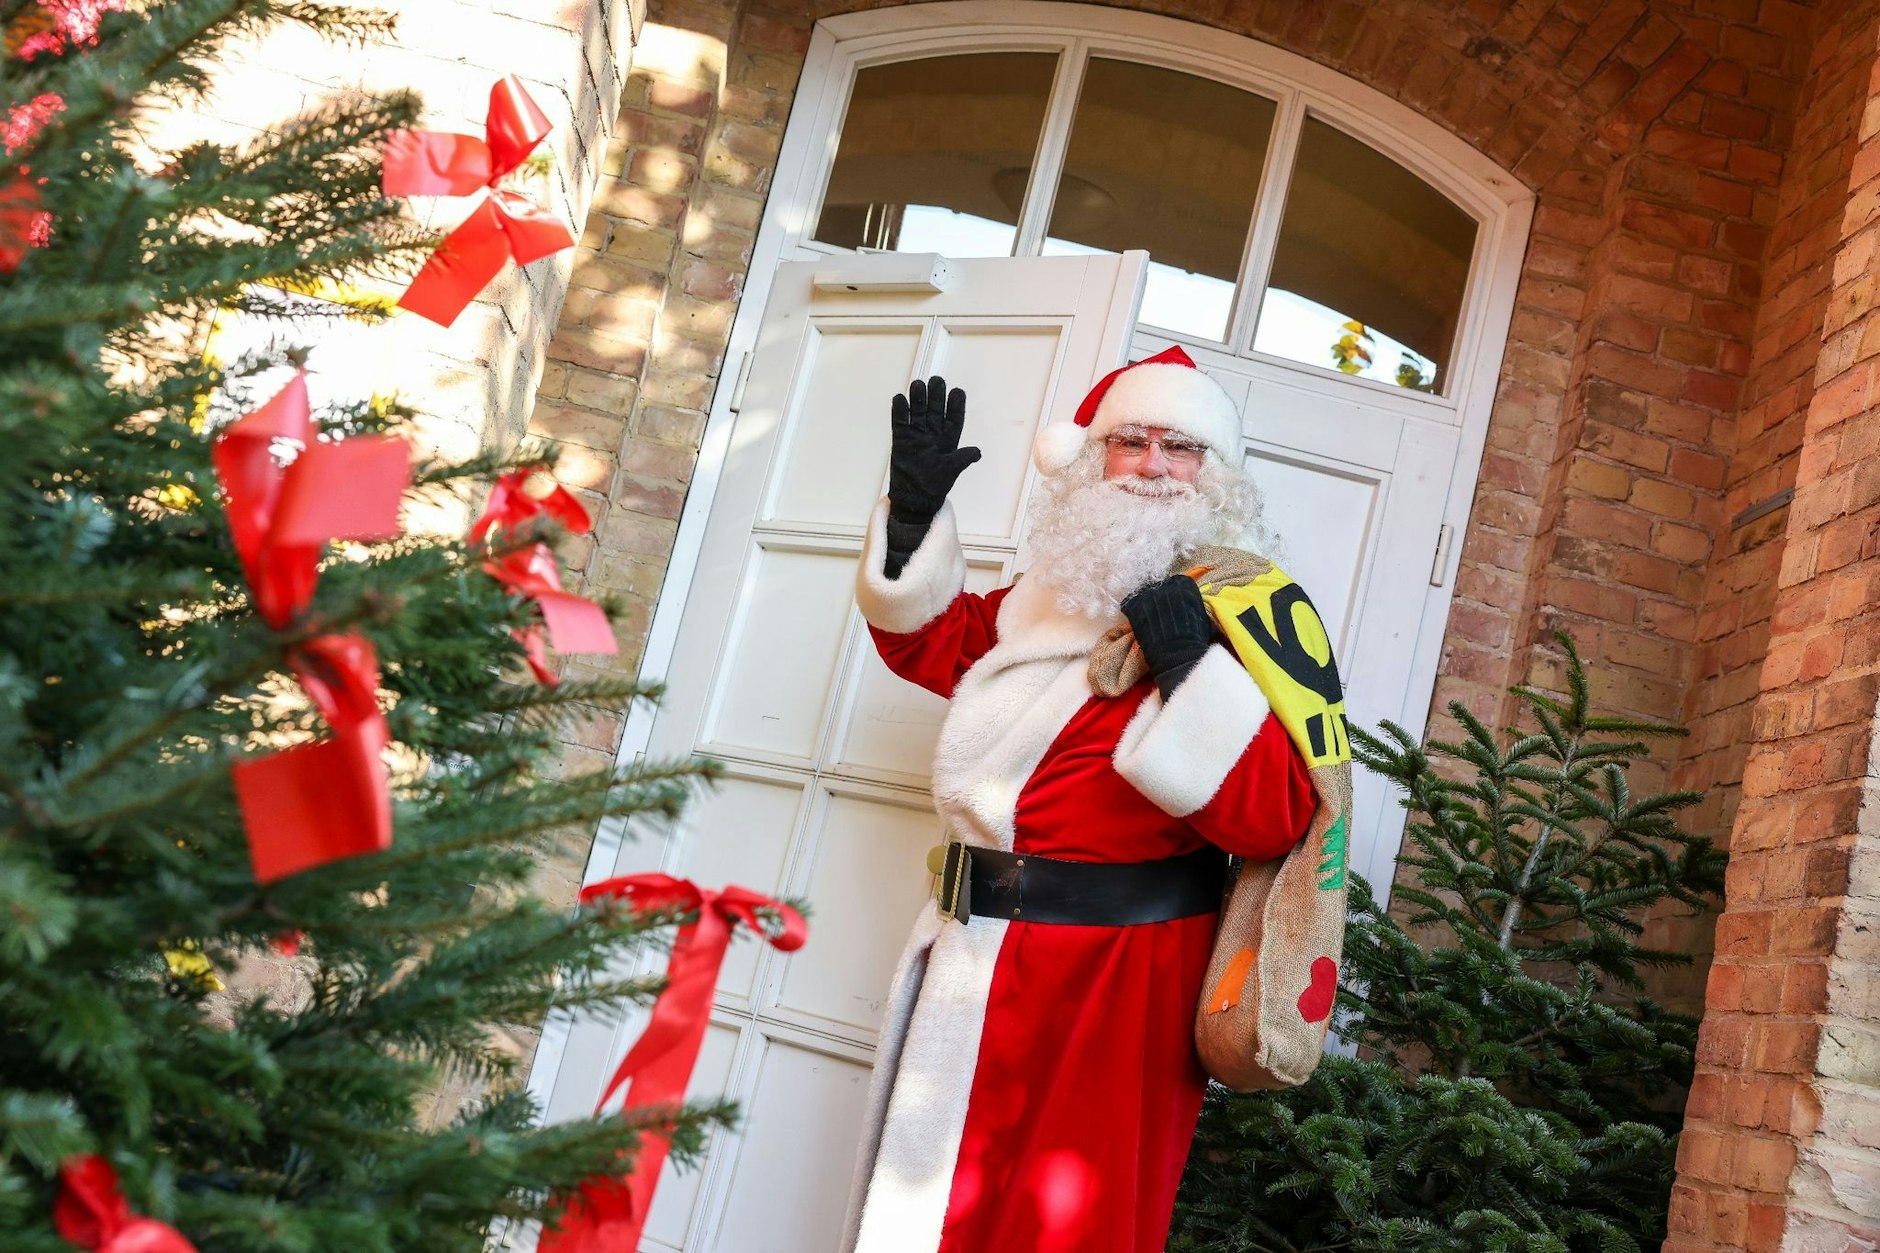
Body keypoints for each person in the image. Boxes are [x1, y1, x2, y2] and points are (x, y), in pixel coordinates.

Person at [840, 346, 1319, 1253]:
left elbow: (1274, 817)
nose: (1152, 464)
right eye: (1130, 440)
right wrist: (910, 524)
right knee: (941, 1208)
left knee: (1064, 1225)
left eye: (1180, 446)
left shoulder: (1249, 617)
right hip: (980, 949)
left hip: (1121, 978)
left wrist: (1189, 667)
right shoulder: (1050, 599)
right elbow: (937, 645)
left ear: (1216, 475)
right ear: (1092, 459)